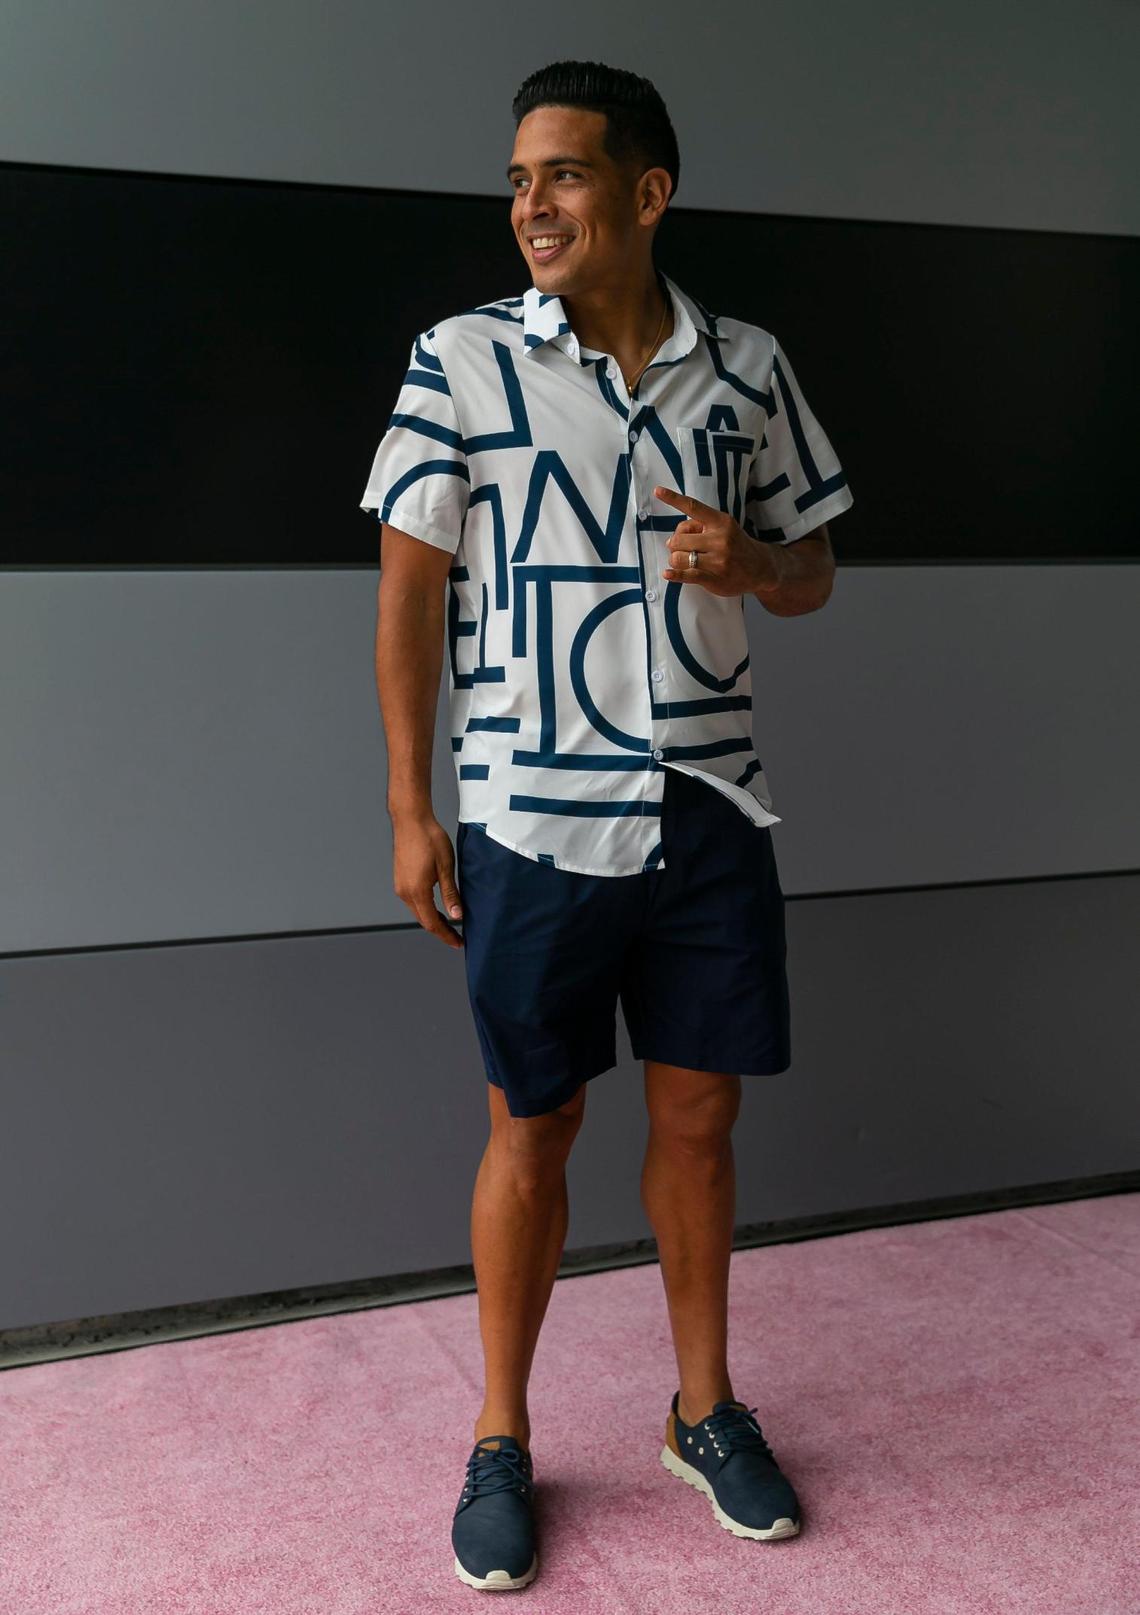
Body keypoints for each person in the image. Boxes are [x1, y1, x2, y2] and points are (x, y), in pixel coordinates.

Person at [360, 58, 853, 1593]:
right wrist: (409, 801)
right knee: (535, 1125)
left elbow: (816, 569)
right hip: (525, 810)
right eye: (517, 180)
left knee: (701, 1123)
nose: (528, 205)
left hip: (707, 805)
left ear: (647, 191)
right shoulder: (461, 360)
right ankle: (501, 1435)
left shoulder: (751, 369)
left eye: (561, 174)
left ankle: (703, 1410)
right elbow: (409, 593)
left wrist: (753, 563)